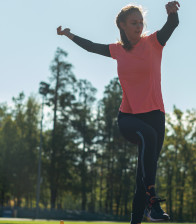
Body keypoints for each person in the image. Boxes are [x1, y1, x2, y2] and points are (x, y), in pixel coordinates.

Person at [57, 1, 180, 223]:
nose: (139, 26)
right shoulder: (117, 50)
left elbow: (171, 25)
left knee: (141, 178)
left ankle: (140, 215)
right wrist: (69, 35)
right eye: (134, 22)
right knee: (147, 139)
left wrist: (172, 14)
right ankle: (153, 201)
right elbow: (92, 47)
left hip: (155, 116)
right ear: (122, 25)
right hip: (129, 117)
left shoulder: (154, 43)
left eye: (141, 22)